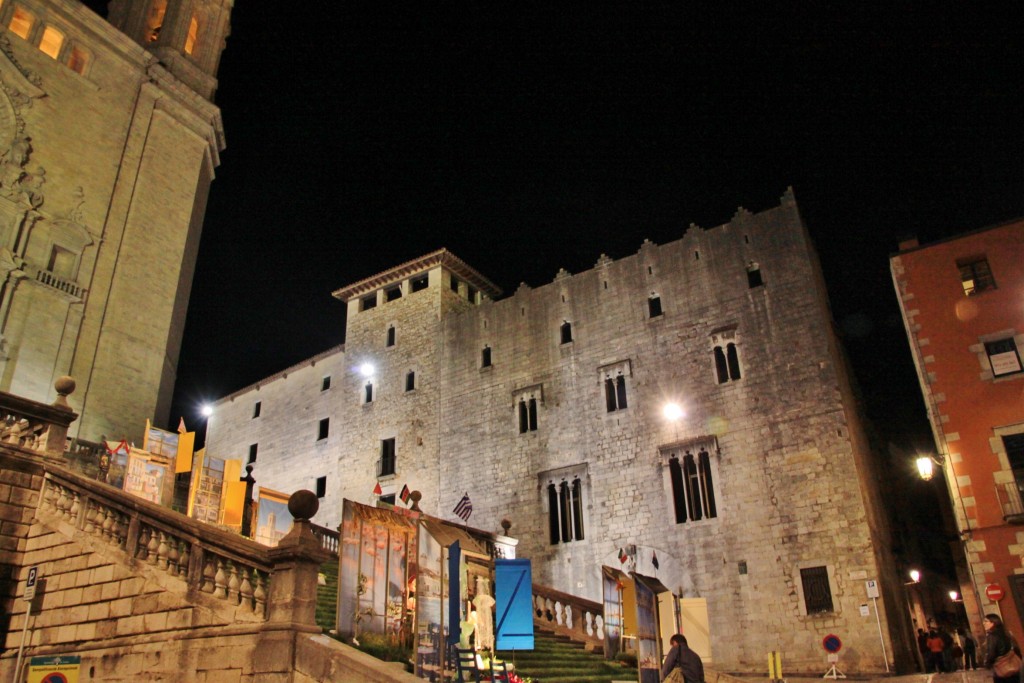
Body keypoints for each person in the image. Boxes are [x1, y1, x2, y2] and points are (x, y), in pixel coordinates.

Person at [983, 613, 1020, 683]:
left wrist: (987, 664)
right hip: (1014, 665)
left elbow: (991, 653)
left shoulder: (991, 636)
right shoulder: (1007, 633)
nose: (984, 623)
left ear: (993, 622)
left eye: (986, 621)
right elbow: (1016, 647)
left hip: (1001, 668)